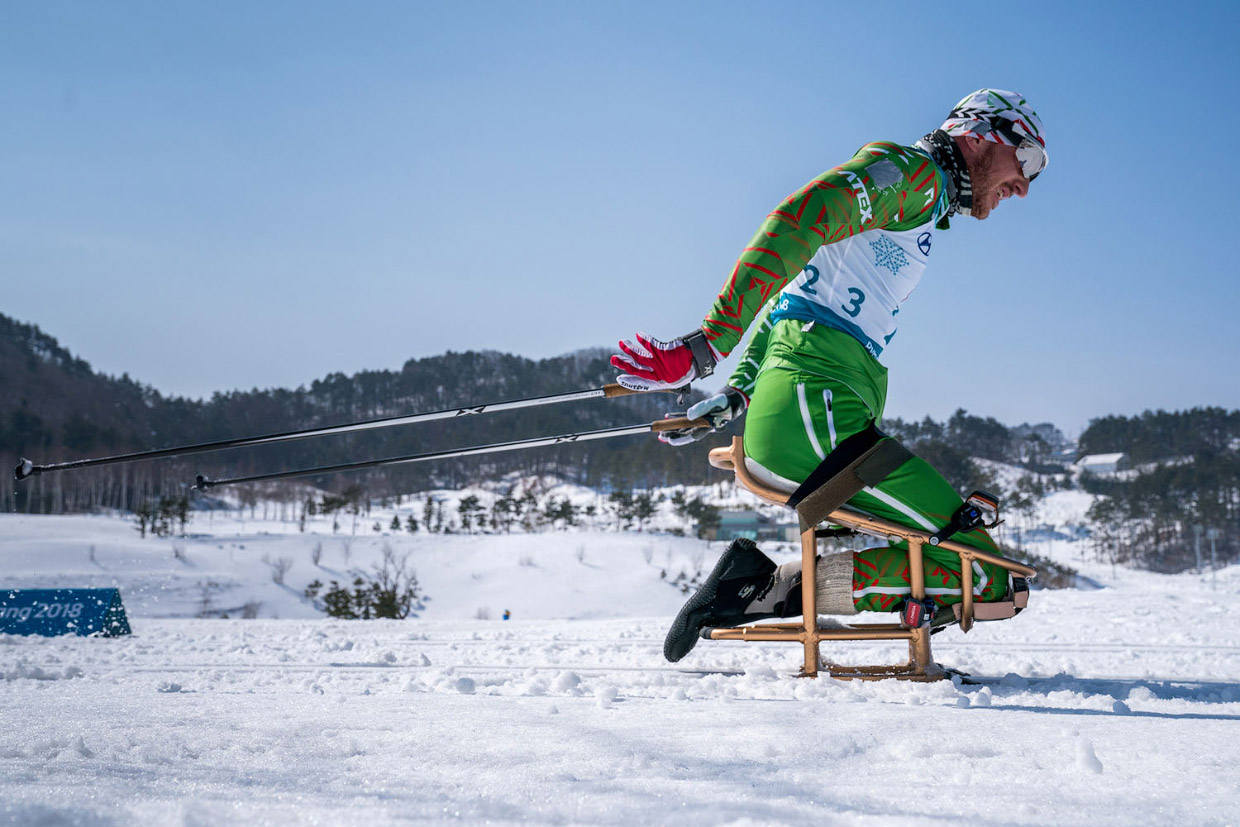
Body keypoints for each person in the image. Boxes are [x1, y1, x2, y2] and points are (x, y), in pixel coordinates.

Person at [610, 89, 1047, 662]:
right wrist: (709, 343)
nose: (1025, 185)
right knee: (989, 577)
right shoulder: (913, 175)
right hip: (813, 412)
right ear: (982, 134)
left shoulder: (920, 199)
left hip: (814, 408)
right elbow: (803, 216)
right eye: (1028, 161)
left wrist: (736, 393)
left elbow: (793, 300)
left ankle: (760, 587)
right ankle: (767, 593)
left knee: (981, 571)